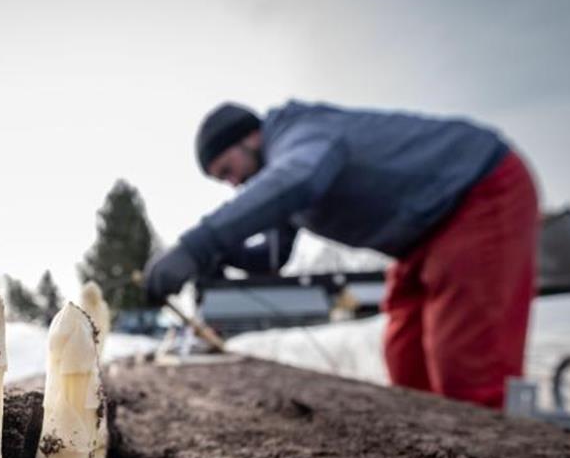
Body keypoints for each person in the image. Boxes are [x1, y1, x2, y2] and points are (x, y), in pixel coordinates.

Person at [143, 100, 539, 409]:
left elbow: (298, 179)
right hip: (421, 238)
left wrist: (198, 245)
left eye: (228, 169)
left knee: (467, 365)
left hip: (476, 193)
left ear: (250, 138)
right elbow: (274, 256)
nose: (234, 184)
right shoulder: (287, 172)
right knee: (407, 355)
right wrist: (222, 257)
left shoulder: (302, 133)